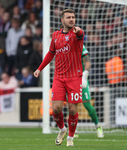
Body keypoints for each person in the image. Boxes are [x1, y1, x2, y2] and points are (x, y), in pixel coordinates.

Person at [34, 9, 84, 147]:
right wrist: (39, 68)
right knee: (56, 108)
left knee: (73, 110)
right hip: (59, 77)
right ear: (62, 20)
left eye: (73, 17)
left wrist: (78, 31)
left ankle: (70, 137)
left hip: (74, 77)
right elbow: (51, 53)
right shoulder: (55, 35)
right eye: (68, 17)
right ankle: (62, 129)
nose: (71, 20)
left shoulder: (77, 34)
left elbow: (80, 33)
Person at [81, 45, 104, 137]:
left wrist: (84, 77)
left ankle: (98, 126)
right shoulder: (65, 44)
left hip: (81, 79)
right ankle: (73, 131)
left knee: (87, 104)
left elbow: (88, 62)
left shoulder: (80, 46)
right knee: (71, 105)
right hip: (70, 79)